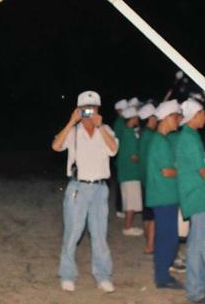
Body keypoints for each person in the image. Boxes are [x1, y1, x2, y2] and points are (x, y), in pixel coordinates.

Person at [51, 90, 119, 292]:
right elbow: (56, 146)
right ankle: (67, 274)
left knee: (99, 234)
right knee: (72, 232)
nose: (89, 112)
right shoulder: (74, 131)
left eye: (92, 108)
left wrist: (100, 127)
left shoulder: (105, 129)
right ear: (78, 110)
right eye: (84, 109)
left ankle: (103, 275)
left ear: (98, 109)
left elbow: (113, 149)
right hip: (78, 188)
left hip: (99, 188)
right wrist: (71, 122)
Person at [173, 99, 205, 304]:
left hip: (195, 195)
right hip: (199, 196)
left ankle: (197, 288)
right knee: (200, 246)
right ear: (194, 115)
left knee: (197, 244)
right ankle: (196, 291)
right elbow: (202, 171)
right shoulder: (190, 138)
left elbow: (199, 166)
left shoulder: (189, 136)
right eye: (202, 113)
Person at [145, 100, 183, 289]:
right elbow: (166, 171)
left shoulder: (161, 140)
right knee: (168, 237)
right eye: (176, 117)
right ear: (167, 118)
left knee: (166, 236)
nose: (178, 121)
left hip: (165, 195)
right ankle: (162, 276)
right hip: (164, 195)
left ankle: (163, 275)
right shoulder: (160, 141)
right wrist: (184, 171)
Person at [115, 104, 144, 236]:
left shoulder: (126, 132)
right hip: (131, 173)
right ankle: (128, 227)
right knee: (132, 202)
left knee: (129, 201)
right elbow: (134, 157)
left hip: (125, 172)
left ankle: (128, 226)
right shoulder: (130, 134)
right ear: (132, 118)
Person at [136, 102, 158, 254]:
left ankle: (148, 242)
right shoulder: (151, 136)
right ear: (150, 119)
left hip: (144, 178)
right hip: (151, 180)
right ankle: (150, 246)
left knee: (147, 213)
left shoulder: (143, 134)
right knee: (154, 216)